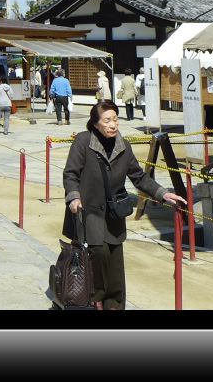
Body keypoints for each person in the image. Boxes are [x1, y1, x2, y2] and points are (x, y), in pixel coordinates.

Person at [62, 99, 185, 309]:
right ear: (95, 124)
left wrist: (163, 194)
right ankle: (95, 299)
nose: (113, 125)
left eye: (115, 119)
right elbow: (71, 174)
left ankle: (114, 305)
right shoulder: (83, 142)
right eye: (107, 120)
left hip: (114, 215)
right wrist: (74, 197)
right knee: (97, 255)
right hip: (88, 213)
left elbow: (139, 177)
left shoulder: (123, 145)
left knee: (115, 266)